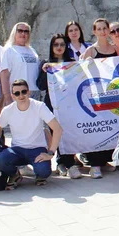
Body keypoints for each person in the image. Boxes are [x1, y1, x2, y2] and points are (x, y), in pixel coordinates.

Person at [0, 79, 63, 190]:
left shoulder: (39, 106)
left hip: (37, 149)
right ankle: (15, 174)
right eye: (17, 93)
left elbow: (57, 129)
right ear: (13, 96)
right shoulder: (7, 110)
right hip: (17, 149)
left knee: (44, 171)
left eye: (23, 92)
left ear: (29, 92)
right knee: (0, 160)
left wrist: (51, 152)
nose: (21, 96)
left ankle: (39, 175)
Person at [78, 19, 119, 177]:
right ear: (94, 31)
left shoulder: (115, 49)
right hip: (95, 94)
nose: (103, 31)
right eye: (99, 29)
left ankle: (105, 161)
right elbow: (79, 71)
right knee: (98, 127)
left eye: (105, 28)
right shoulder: (91, 50)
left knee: (111, 127)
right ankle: (94, 164)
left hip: (111, 93)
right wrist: (85, 62)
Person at [36, 34, 81, 179]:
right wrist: (45, 72)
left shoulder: (72, 62)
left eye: (62, 44)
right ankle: (68, 164)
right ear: (52, 47)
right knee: (57, 132)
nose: (59, 47)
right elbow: (41, 86)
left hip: (69, 104)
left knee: (69, 132)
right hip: (53, 104)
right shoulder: (46, 63)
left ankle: (65, 161)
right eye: (56, 44)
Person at [0, 22, 41, 102]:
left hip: (34, 91)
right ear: (14, 32)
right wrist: (7, 96)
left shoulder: (32, 50)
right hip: (18, 93)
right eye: (20, 31)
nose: (23, 33)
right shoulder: (8, 50)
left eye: (26, 31)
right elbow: (4, 74)